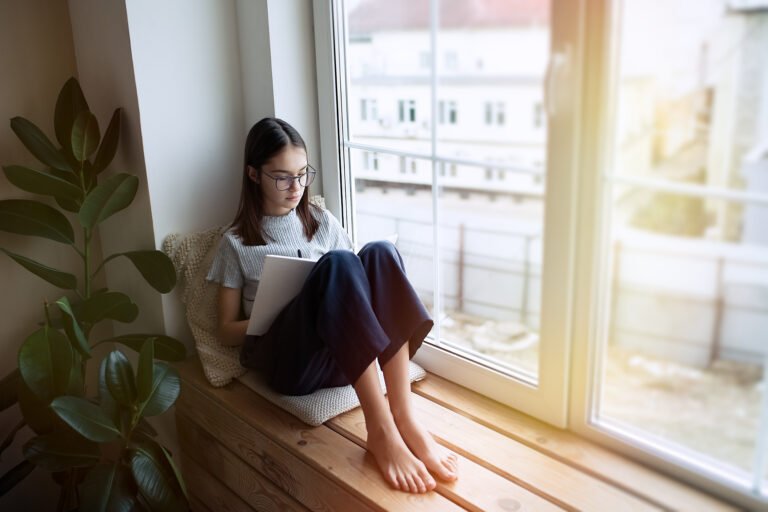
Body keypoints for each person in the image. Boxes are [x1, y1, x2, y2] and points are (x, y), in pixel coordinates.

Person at [206, 117, 458, 494]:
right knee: (337, 264)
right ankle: (381, 428)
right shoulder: (236, 243)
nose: (297, 186)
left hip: (341, 358)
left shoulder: (322, 221)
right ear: (254, 175)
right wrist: (276, 313)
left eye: (303, 173)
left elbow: (354, 284)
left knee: (379, 253)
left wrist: (324, 296)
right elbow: (224, 330)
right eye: (282, 177)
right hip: (289, 364)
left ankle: (404, 415)